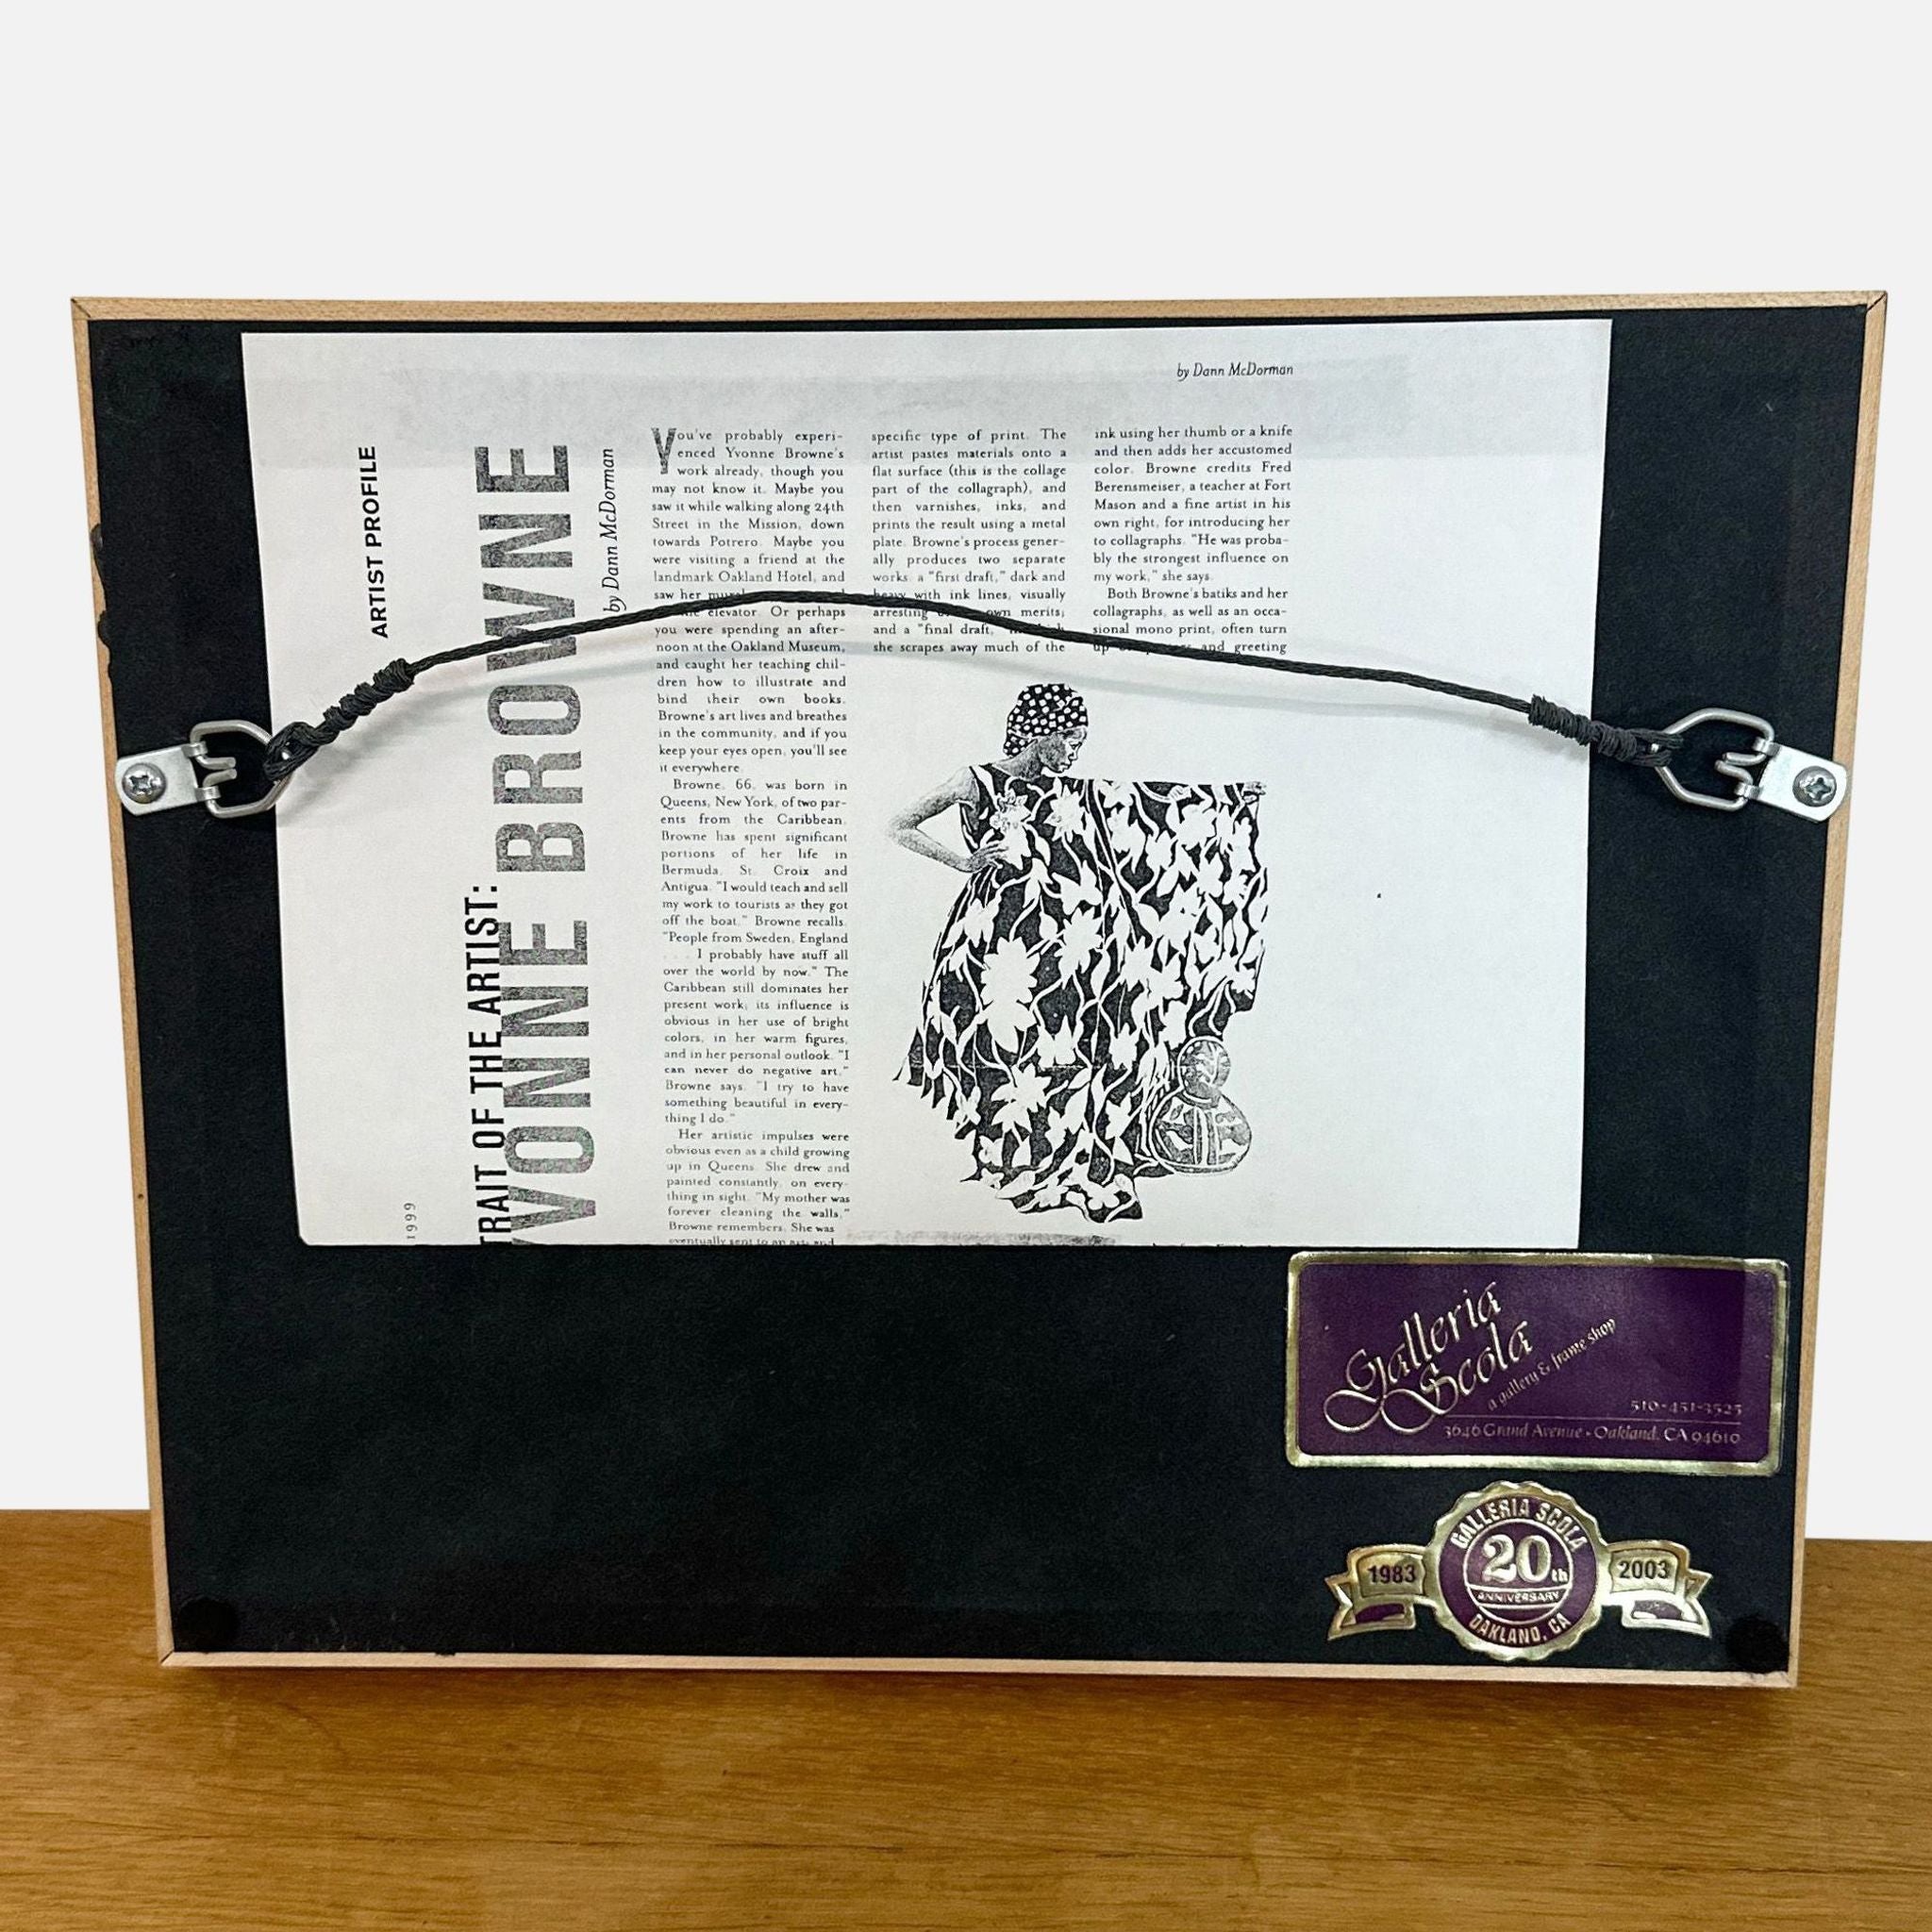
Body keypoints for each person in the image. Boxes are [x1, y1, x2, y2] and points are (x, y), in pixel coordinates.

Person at [888, 682, 1268, 1224]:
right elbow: (898, 825)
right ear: (1037, 732)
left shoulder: (1073, 791)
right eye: (1067, 739)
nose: (1073, 753)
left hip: (1068, 943)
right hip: (999, 944)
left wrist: (1226, 802)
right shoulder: (975, 780)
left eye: (1080, 743)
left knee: (1075, 1042)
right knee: (1013, 1047)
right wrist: (964, 862)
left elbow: (1149, 804)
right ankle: (1018, 1151)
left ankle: (1082, 1146)